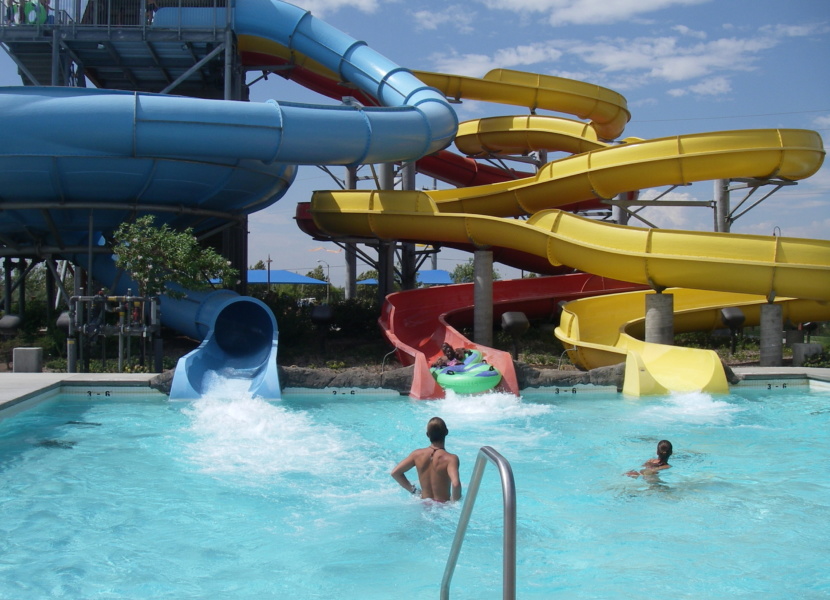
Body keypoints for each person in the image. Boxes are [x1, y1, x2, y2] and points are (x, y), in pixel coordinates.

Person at [391, 417, 462, 502]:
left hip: (424, 504)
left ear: (427, 434)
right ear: (446, 432)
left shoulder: (416, 455)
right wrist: (454, 503)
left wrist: (414, 491)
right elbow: (456, 484)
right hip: (443, 506)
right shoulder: (451, 459)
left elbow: (395, 473)